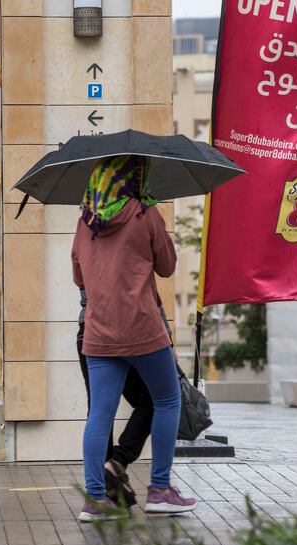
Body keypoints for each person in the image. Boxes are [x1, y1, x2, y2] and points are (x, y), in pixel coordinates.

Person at [71, 155, 197, 522]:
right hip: (142, 328)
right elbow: (168, 266)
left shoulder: (85, 221)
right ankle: (159, 488)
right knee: (167, 399)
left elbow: (79, 276)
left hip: (98, 331)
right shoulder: (144, 213)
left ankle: (95, 499)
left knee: (100, 414)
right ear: (133, 178)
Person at [77, 289, 174, 507]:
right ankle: (145, 480)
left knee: (100, 410)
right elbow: (149, 286)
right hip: (131, 327)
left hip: (91, 328)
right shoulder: (133, 252)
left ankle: (99, 494)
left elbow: (80, 279)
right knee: (160, 400)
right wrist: (167, 336)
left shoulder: (81, 252)